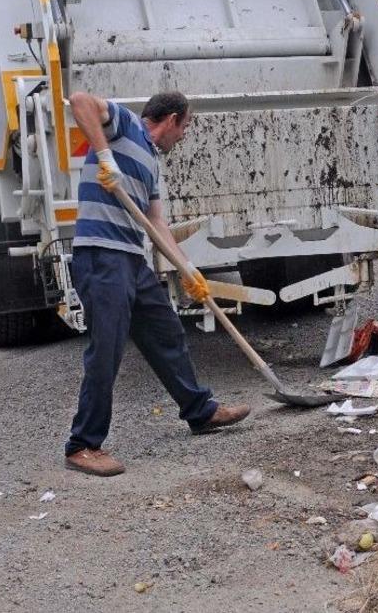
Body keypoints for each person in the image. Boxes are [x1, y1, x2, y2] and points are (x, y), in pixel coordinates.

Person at [64, 90, 250, 477]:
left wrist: (188, 269)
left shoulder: (151, 163)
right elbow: (79, 100)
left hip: (131, 259)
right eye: (185, 128)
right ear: (171, 119)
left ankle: (200, 412)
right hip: (101, 256)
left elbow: (157, 222)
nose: (182, 137)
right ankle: (83, 444)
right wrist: (103, 155)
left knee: (166, 333)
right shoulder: (125, 124)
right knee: (107, 350)